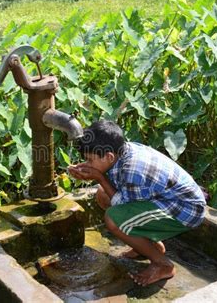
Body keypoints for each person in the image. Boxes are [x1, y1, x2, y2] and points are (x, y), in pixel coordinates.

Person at [68, 120, 206, 286]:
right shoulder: (120, 152)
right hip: (166, 199)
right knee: (102, 195)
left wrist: (99, 177)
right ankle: (150, 246)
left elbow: (121, 206)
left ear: (109, 156)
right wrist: (92, 170)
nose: (87, 163)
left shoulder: (134, 170)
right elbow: (117, 191)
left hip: (184, 210)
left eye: (90, 160)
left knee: (114, 219)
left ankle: (163, 265)